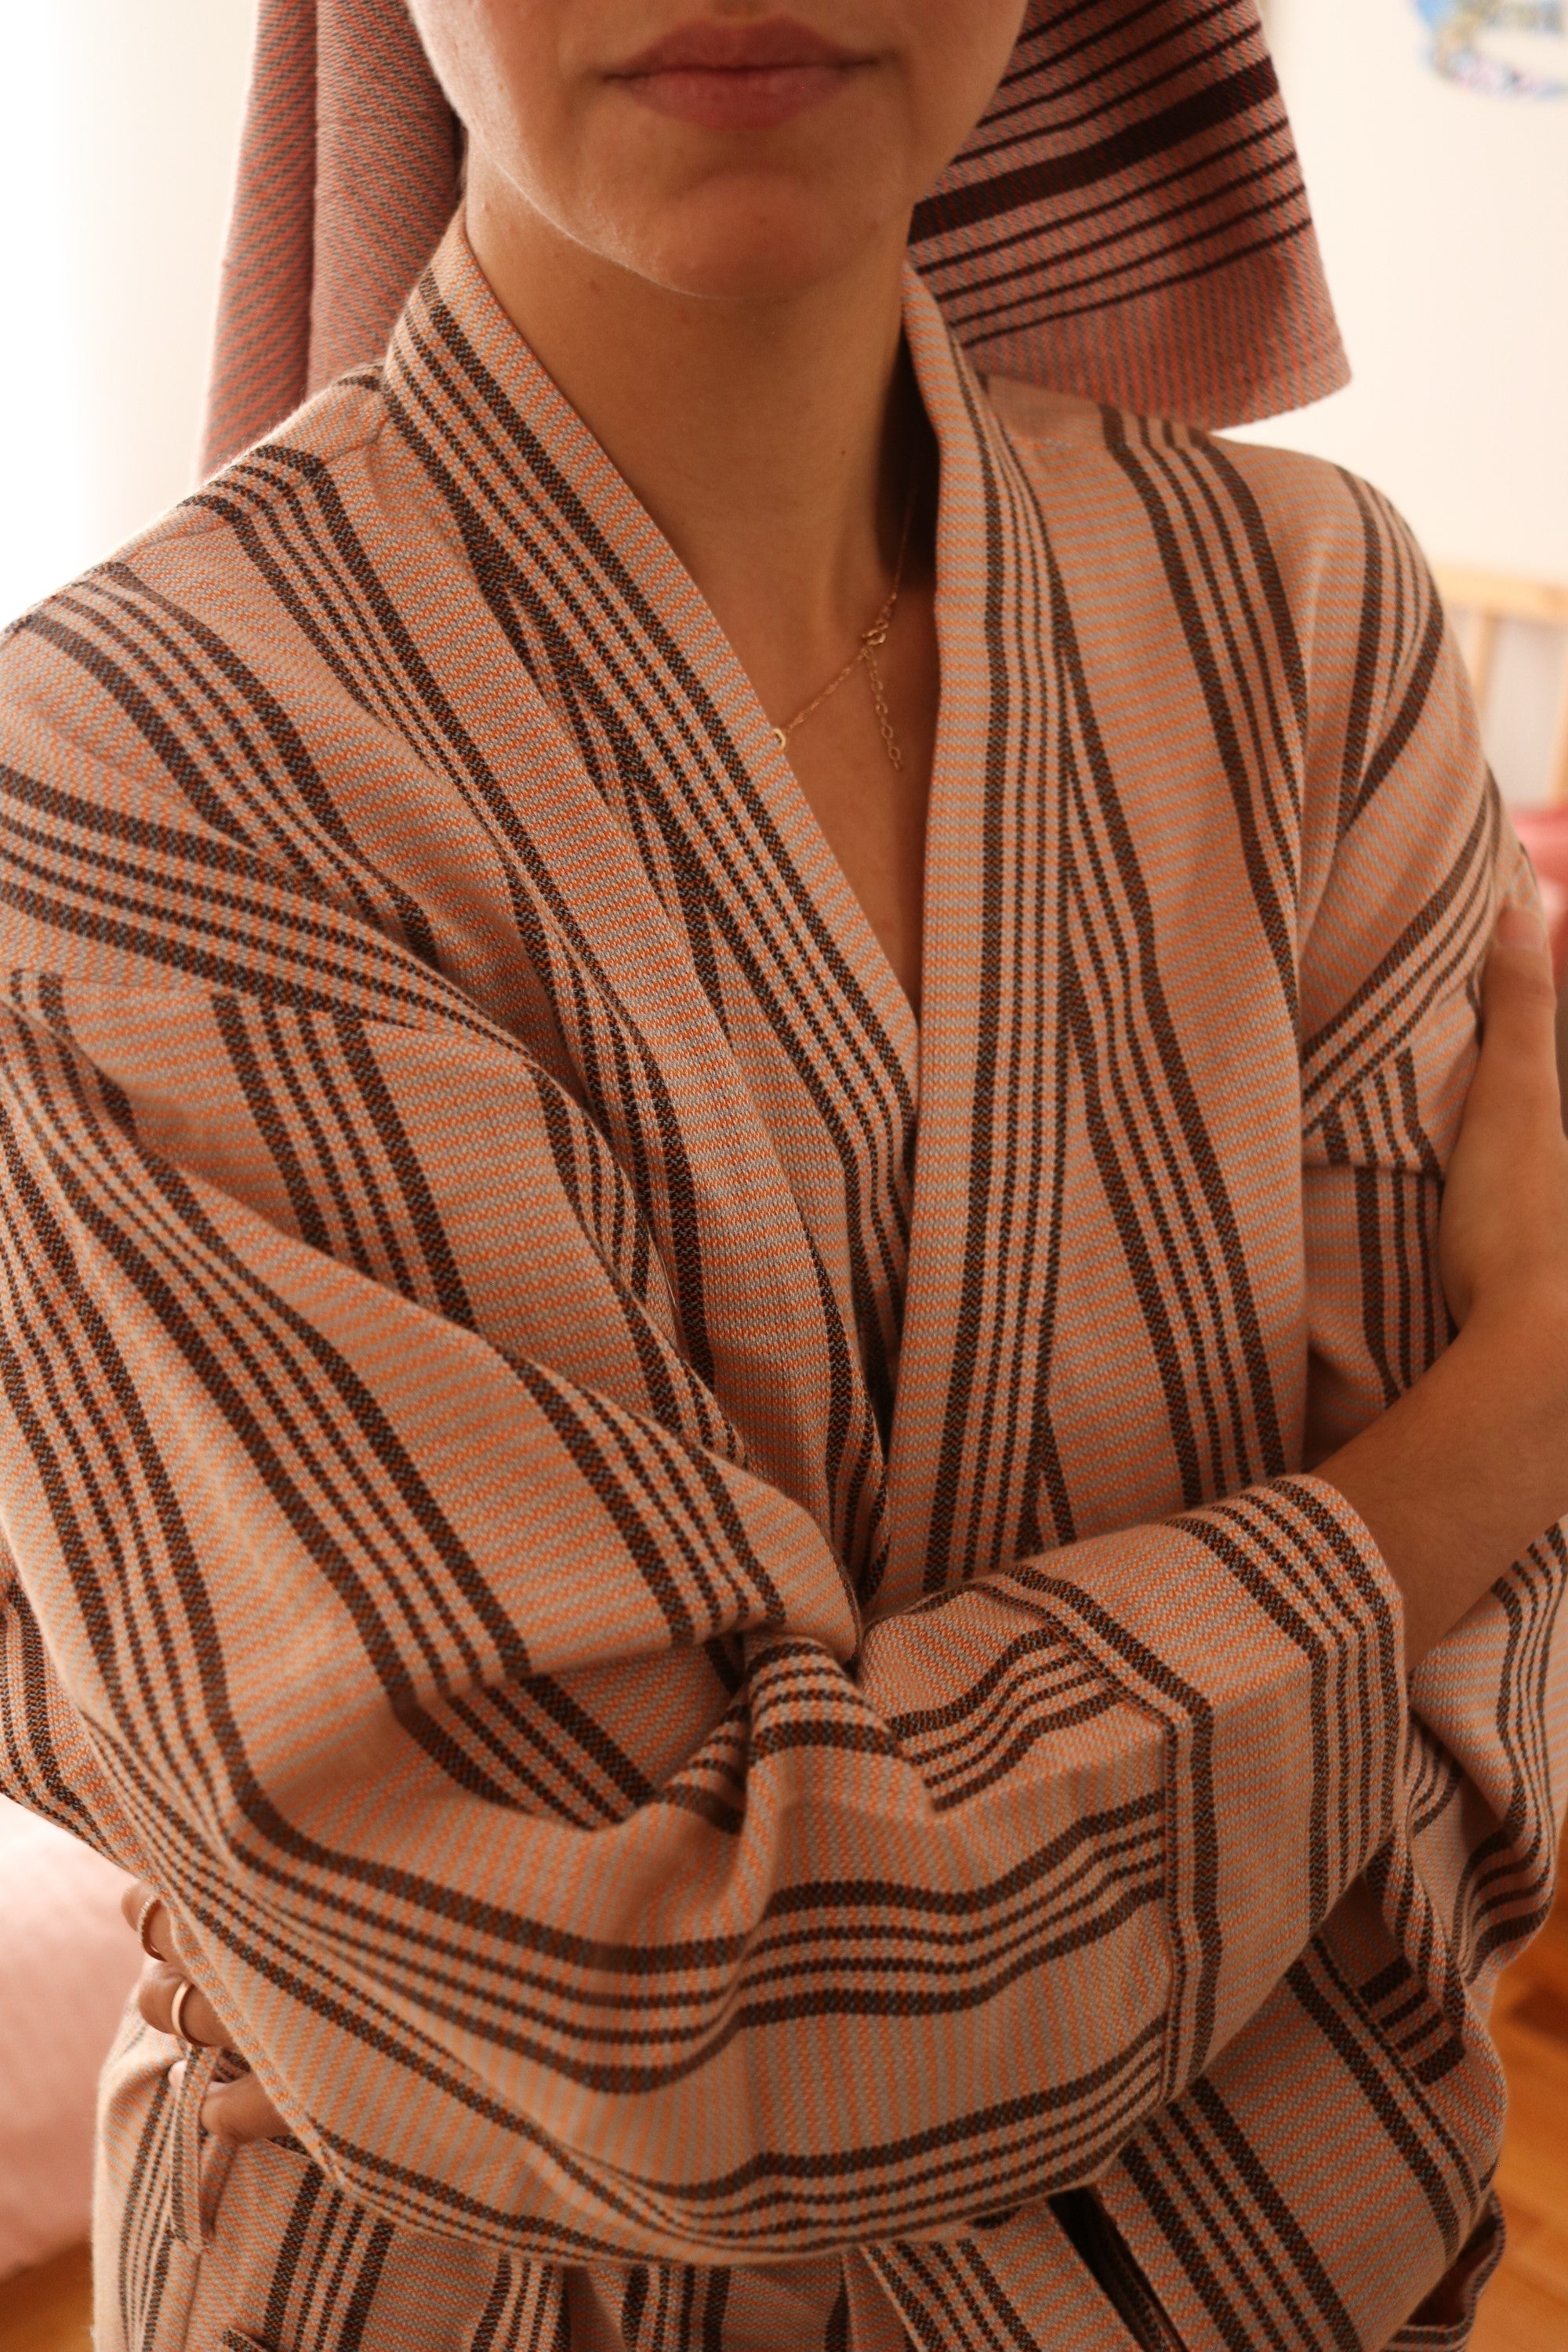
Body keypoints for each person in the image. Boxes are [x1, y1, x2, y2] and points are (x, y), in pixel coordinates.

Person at [0, 2, 1564, 2345]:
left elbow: (1460, 1768)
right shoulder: (131, 783)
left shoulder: (1317, 632)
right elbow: (667, 2038)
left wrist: (868, 1966)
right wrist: (1514, 1418)